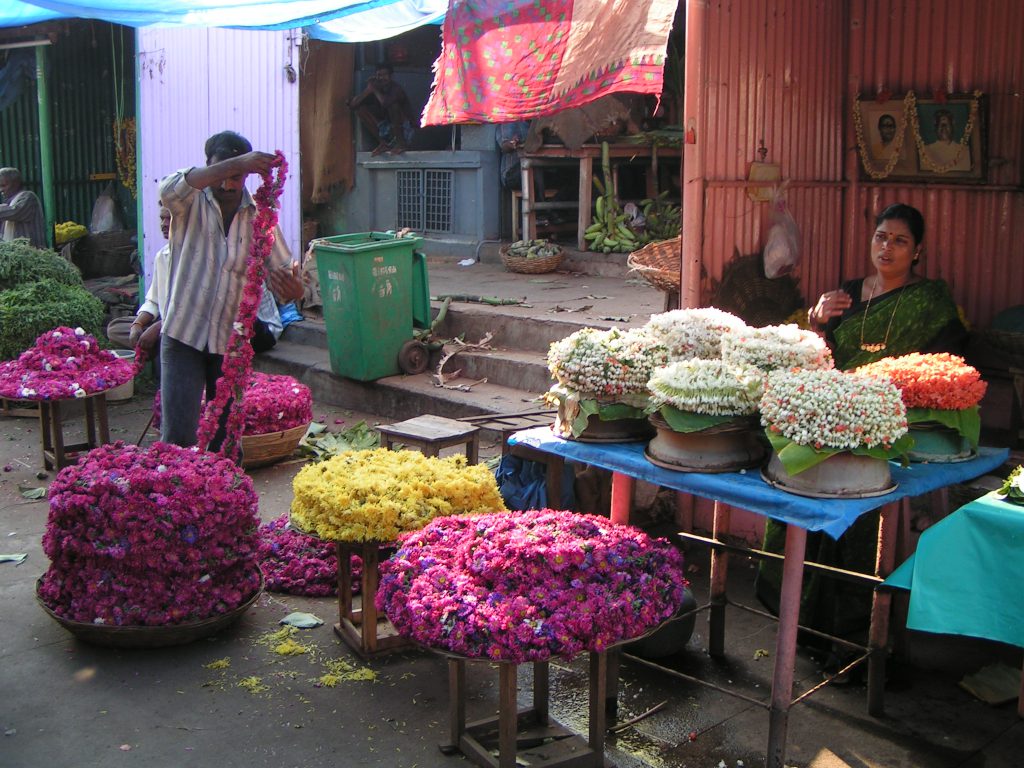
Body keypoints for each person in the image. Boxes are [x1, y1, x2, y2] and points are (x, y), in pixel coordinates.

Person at [757, 203, 968, 679]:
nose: (886, 248)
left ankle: (852, 643)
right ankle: (808, 631)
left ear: (918, 251)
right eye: (880, 237)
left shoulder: (929, 300)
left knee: (858, 527)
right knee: (800, 498)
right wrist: (816, 322)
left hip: (886, 425)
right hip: (833, 418)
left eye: (899, 241)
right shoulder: (847, 294)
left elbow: (945, 365)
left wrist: (891, 388)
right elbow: (820, 356)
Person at [158, 130, 303, 450]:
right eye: (221, 172)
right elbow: (167, 188)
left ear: (247, 177)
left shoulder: (260, 217)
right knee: (178, 440)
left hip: (229, 343)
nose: (226, 184)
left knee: (225, 442)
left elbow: (286, 278)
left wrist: (294, 289)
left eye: (236, 177)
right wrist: (236, 164)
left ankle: (224, 483)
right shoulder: (189, 201)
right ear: (210, 168)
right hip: (182, 334)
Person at [347, 62, 416, 156]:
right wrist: (368, 90)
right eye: (379, 75)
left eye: (385, 75)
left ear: (391, 76)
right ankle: (384, 143)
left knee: (393, 106)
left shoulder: (396, 89)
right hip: (388, 130)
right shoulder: (377, 89)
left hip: (406, 131)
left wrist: (374, 90)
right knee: (360, 110)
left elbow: (386, 104)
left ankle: (401, 144)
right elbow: (353, 105)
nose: (382, 78)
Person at [0, 167, 46, 248]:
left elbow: (15, 212)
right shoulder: (9, 201)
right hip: (15, 251)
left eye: (3, 185)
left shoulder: (28, 197)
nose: (1, 190)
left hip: (31, 251)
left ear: (16, 183)